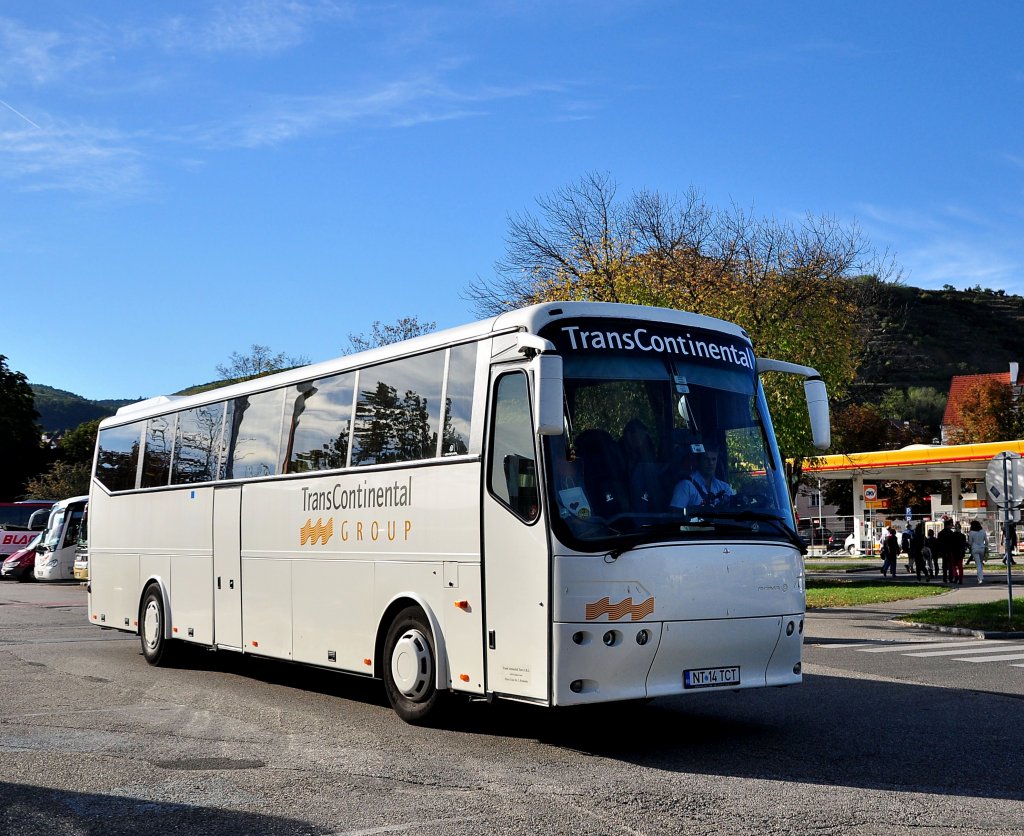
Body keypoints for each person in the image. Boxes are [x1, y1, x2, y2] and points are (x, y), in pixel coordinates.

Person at [670, 445, 734, 510]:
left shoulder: (724, 487)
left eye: (714, 459)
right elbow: (675, 514)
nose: (711, 463)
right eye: (706, 459)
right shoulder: (685, 486)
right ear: (699, 461)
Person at [966, 520, 987, 584]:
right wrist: (986, 547)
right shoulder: (983, 532)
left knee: (978, 564)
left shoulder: (971, 532)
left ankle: (980, 578)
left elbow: (970, 542)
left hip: (974, 549)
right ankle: (980, 576)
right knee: (980, 563)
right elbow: (986, 541)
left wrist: (968, 544)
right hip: (982, 548)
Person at [936, 518, 956, 583]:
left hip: (943, 550)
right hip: (950, 550)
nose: (952, 526)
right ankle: (950, 578)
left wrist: (939, 551)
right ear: (949, 525)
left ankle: (944, 578)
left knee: (944, 564)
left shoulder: (940, 533)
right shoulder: (951, 533)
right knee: (950, 565)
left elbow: (938, 543)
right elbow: (953, 543)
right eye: (951, 525)